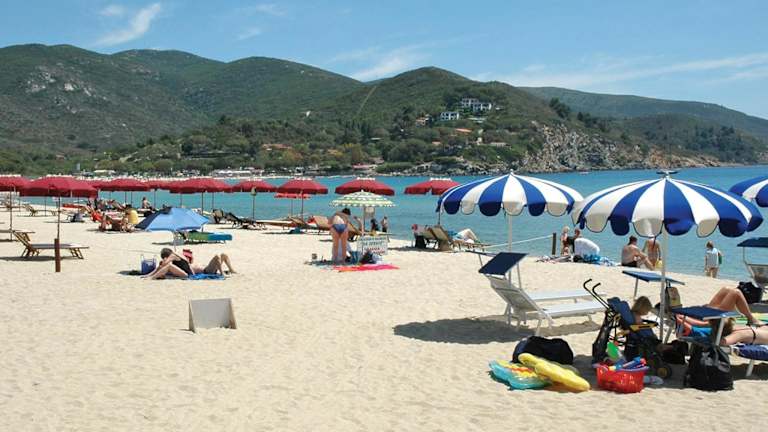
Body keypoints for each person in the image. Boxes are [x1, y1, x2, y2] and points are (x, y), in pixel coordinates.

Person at [145, 248, 235, 279]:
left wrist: (164, 261)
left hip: (206, 269)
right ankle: (223, 273)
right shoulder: (176, 256)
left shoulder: (172, 256)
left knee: (222, 255)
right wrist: (149, 275)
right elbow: (162, 267)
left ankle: (230, 271)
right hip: (206, 270)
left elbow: (164, 264)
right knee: (218, 256)